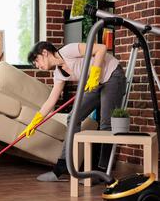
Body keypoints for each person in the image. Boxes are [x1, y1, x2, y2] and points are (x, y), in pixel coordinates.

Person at [20, 41, 126, 182]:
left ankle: (102, 171)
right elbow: (51, 101)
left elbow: (101, 48)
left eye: (36, 60)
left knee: (106, 123)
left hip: (112, 76)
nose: (37, 66)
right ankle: (63, 166)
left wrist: (95, 73)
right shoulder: (59, 73)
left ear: (44, 52)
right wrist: (35, 122)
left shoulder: (69, 51)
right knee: (73, 117)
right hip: (94, 82)